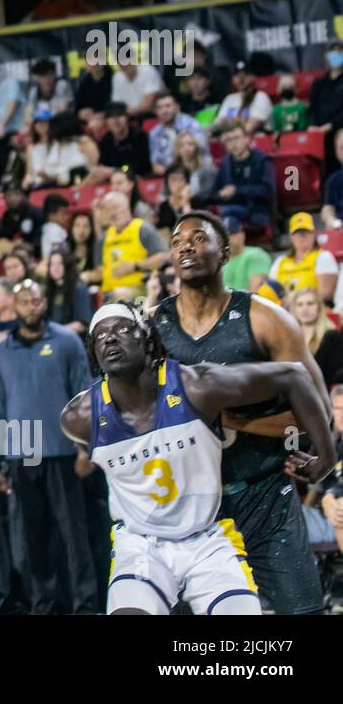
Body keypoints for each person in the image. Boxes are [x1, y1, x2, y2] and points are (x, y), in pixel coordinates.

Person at [63, 303, 334, 615]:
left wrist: (325, 458)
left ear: (149, 341)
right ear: (94, 353)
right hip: (141, 545)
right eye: (100, 336)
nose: (110, 339)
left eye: (123, 329)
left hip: (207, 539)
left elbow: (293, 375)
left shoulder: (196, 386)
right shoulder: (79, 418)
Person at [154, 211, 334, 614]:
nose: (186, 245)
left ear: (224, 253)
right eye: (178, 240)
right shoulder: (154, 328)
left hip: (263, 490)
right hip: (190, 504)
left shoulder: (265, 318)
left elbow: (320, 411)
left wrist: (232, 420)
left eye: (199, 238)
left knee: (303, 611)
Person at [0, 280, 99, 613]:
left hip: (64, 454)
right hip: (23, 457)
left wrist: (85, 449)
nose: (30, 307)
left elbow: (84, 397)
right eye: (23, 301)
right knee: (33, 539)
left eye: (35, 300)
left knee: (75, 536)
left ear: (44, 302)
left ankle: (86, 603)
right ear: (14, 306)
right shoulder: (1, 351)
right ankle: (44, 604)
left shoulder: (66, 341)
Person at [81, 191, 168, 302]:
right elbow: (100, 272)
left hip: (140, 288)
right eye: (108, 209)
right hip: (108, 292)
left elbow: (163, 257)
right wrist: (85, 276)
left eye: (115, 207)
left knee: (120, 293)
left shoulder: (143, 229)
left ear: (126, 207)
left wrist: (133, 266)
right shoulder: (104, 238)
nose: (112, 213)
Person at [271, 213, 339, 302]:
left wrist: (296, 300)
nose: (302, 237)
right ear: (291, 236)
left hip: (312, 310)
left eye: (306, 232)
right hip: (283, 309)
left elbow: (325, 295)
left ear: (314, 234)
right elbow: (271, 291)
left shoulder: (323, 257)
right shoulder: (280, 261)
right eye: (297, 233)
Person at [289, 287, 343, 388]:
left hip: (321, 393)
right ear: (294, 309)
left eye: (310, 303)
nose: (305, 308)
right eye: (300, 304)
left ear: (319, 307)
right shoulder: (289, 337)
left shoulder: (332, 337)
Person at [149, 93, 206, 175]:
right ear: (155, 111)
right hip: (170, 176)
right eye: (160, 108)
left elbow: (201, 154)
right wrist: (172, 175)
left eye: (168, 106)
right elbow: (155, 164)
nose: (164, 111)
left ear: (177, 107)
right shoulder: (154, 133)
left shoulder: (191, 125)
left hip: (196, 172)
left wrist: (182, 175)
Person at [91, 103, 151, 180]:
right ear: (106, 122)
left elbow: (138, 167)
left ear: (127, 118)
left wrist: (115, 170)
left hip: (140, 179)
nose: (116, 121)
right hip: (114, 180)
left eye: (119, 116)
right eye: (111, 117)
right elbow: (103, 164)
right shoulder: (106, 140)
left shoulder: (140, 136)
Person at [44, 248, 92, 334]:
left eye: (60, 264)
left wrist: (55, 333)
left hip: (73, 338)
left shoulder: (79, 288)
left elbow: (82, 324)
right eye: (52, 264)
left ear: (67, 266)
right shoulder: (49, 290)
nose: (55, 268)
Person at [213, 66, 273, 134]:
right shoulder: (229, 99)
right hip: (231, 139)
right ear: (233, 80)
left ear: (253, 77)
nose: (241, 79)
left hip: (255, 141)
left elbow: (249, 128)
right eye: (237, 75)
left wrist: (229, 124)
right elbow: (218, 124)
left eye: (245, 75)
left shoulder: (261, 97)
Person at [220, 216, 272, 292]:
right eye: (224, 235)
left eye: (232, 233)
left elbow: (255, 293)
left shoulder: (255, 255)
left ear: (242, 235)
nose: (228, 239)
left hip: (246, 303)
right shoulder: (218, 261)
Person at [111, 51, 165, 118]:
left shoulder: (148, 71)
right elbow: (117, 104)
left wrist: (124, 112)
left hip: (155, 115)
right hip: (129, 118)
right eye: (121, 62)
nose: (125, 64)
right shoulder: (117, 78)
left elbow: (148, 105)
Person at [308, 40, 343, 133]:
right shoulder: (318, 83)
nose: (336, 54)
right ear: (327, 56)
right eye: (333, 51)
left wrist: (331, 125)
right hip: (318, 132)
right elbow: (312, 108)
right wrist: (312, 125)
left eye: (340, 51)